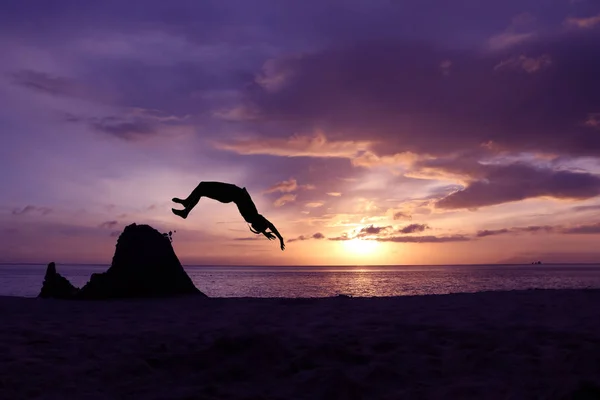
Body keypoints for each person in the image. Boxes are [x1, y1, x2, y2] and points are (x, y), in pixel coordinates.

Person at [171, 181, 285, 250]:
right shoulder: (253, 217)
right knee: (202, 189)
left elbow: (269, 225)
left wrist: (276, 237)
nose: (254, 228)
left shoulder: (253, 216)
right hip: (230, 192)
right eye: (256, 228)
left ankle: (186, 207)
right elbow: (269, 225)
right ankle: (186, 209)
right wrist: (278, 238)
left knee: (202, 187)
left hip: (229, 193)